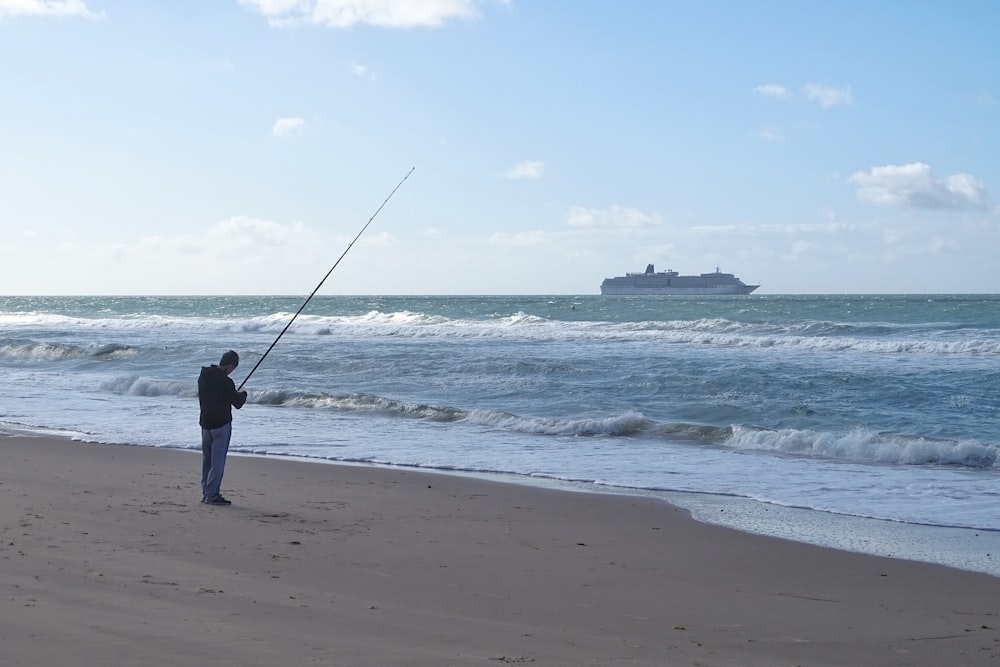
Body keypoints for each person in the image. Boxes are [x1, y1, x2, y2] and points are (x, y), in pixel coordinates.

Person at [198, 350, 248, 506]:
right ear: (231, 365)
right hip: (221, 425)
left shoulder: (204, 376)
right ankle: (212, 495)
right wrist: (243, 394)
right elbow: (238, 403)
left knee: (207, 460)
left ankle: (206, 491)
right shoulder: (226, 382)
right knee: (217, 462)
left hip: (205, 424)